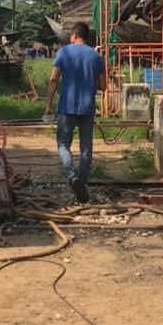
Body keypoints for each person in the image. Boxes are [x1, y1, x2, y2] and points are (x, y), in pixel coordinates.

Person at [44, 22, 105, 203]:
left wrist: (47, 104)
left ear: (74, 35)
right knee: (86, 148)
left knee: (63, 143)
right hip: (87, 107)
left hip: (66, 106)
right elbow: (103, 86)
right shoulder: (96, 56)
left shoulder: (64, 52)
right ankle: (83, 184)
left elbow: (54, 78)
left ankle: (72, 176)